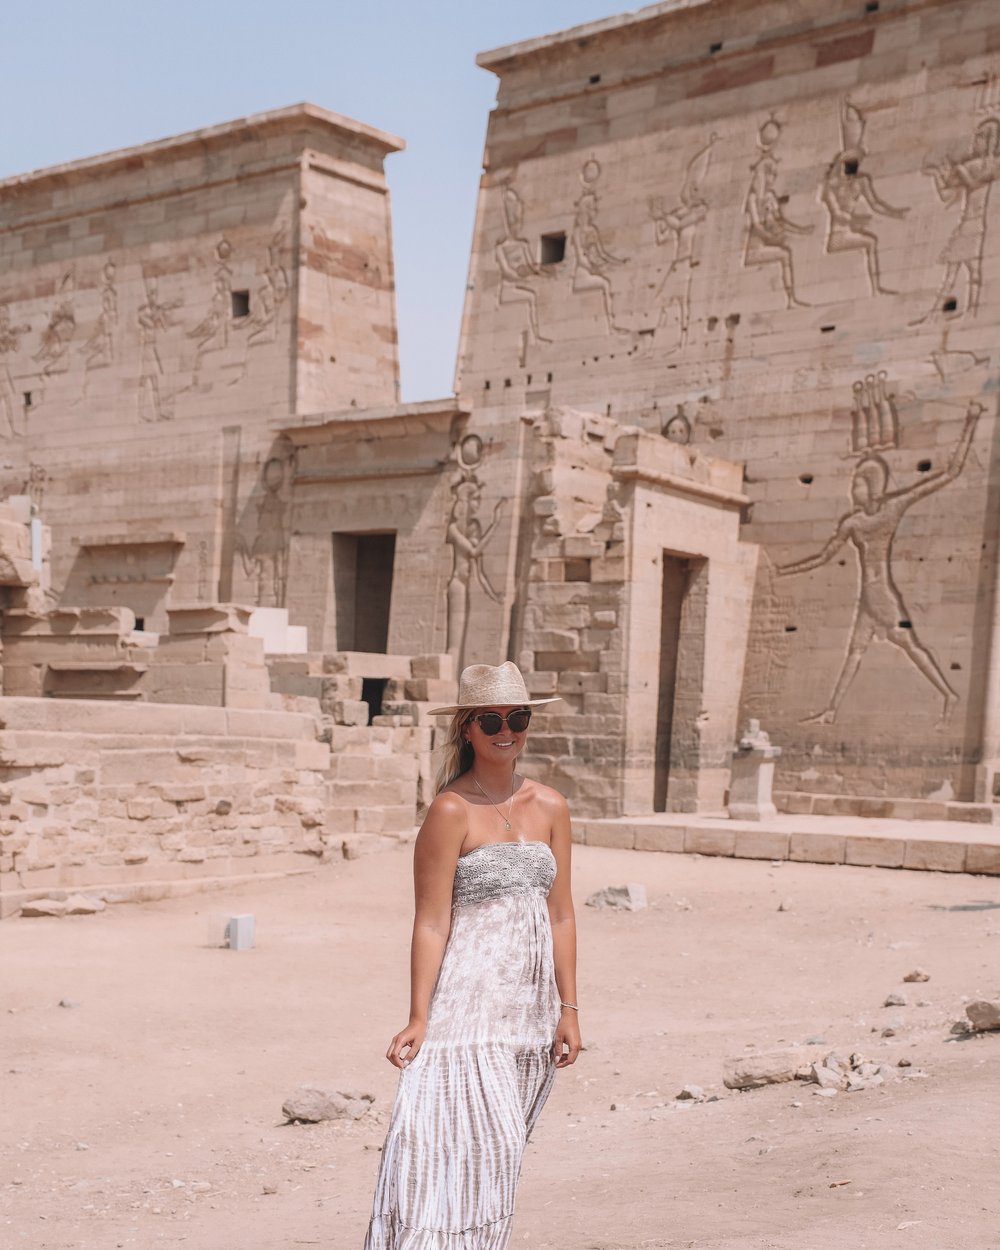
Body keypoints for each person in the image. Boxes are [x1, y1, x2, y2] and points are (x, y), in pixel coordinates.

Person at [363, 661, 581, 1249]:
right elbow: (431, 921)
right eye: (491, 719)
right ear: (468, 728)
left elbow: (560, 912)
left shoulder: (552, 806)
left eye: (517, 717)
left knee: (500, 1155)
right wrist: (418, 1015)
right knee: (447, 1146)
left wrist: (570, 1007)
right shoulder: (450, 810)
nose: (505, 729)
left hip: (527, 1011)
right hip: (466, 1006)